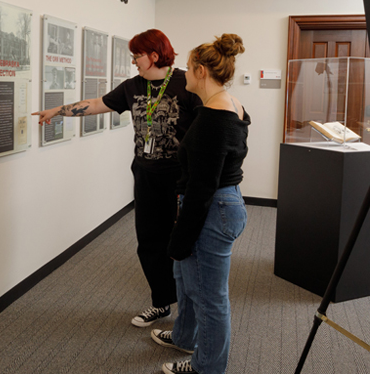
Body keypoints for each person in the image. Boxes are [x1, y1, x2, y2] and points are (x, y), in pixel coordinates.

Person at [32, 29, 202, 327]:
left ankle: (191, 313)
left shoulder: (186, 83)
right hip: (146, 176)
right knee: (149, 242)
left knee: (183, 245)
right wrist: (58, 111)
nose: (133, 62)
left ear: (153, 55)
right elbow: (97, 104)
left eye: (136, 56)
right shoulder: (131, 86)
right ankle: (160, 303)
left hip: (180, 178)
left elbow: (208, 126)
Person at [150, 33, 249, 374]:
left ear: (202, 72)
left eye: (188, 69)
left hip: (213, 209)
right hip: (222, 204)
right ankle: (184, 335)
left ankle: (207, 367)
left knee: (210, 297)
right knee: (185, 278)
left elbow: (202, 188)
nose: (184, 74)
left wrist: (180, 239)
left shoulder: (213, 119)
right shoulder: (232, 105)